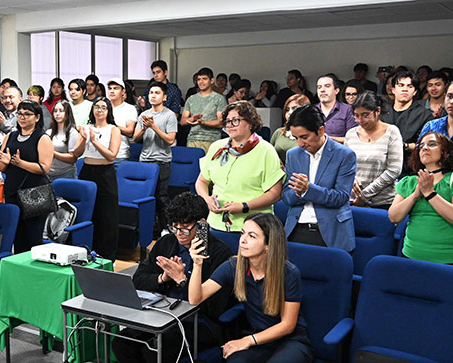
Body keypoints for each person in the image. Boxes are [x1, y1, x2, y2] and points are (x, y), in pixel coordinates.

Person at [112, 192, 234, 362]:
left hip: (197, 321)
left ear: (201, 224)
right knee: (122, 342)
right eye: (174, 227)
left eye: (184, 228)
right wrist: (163, 278)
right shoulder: (167, 243)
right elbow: (138, 280)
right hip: (161, 313)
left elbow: (213, 308)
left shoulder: (220, 254)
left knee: (155, 351)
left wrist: (182, 279)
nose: (178, 233)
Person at [188, 212, 314, 362]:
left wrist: (247, 340)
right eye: (243, 233)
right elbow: (195, 299)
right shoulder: (233, 266)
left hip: (291, 341)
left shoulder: (289, 273)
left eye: (252, 236)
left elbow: (288, 325)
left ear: (268, 244)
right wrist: (197, 264)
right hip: (259, 338)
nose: (243, 240)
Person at [196, 101, 284, 237]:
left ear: (250, 122)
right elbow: (201, 181)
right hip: (216, 223)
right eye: (228, 121)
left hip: (254, 228)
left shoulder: (266, 150)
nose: (230, 125)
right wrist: (206, 199)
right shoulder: (216, 147)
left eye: (235, 120)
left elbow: (275, 194)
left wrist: (244, 206)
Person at [282, 105, 357, 252]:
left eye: (304, 137)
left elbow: (341, 197)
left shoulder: (344, 155)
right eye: (296, 138)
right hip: (296, 229)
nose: (300, 143)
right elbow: (286, 196)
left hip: (331, 232)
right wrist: (299, 192)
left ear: (321, 130)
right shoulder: (293, 155)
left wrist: (308, 190)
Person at [388, 132, 453, 264]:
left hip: (447, 260)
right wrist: (415, 195)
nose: (425, 148)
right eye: (421, 146)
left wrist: (430, 193)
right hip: (410, 255)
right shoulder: (409, 182)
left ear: (445, 151)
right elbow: (394, 217)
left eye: (432, 144)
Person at [0, 101, 54, 253]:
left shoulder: (42, 138)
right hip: (12, 191)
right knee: (17, 237)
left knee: (33, 238)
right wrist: (5, 162)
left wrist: (20, 163)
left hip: (35, 193)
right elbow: (0, 166)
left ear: (37, 117)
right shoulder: (10, 136)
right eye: (20, 114)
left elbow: (44, 167)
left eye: (27, 114)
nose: (22, 117)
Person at [77, 97, 121, 260]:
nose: (100, 110)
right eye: (97, 107)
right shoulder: (87, 127)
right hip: (87, 170)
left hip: (105, 173)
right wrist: (83, 138)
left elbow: (111, 156)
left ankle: (108, 256)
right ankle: (86, 251)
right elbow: (78, 153)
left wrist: (94, 141)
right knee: (88, 213)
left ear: (108, 111)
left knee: (107, 215)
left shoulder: (113, 129)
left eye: (104, 107)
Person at [344, 92, 403, 209]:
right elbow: (345, 166)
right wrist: (352, 179)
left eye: (365, 115)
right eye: (356, 115)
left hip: (383, 201)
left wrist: (364, 195)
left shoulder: (391, 132)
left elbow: (394, 170)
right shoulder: (351, 134)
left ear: (378, 111)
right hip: (352, 200)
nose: (360, 120)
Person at [134, 82, 178, 233]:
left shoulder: (169, 115)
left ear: (164, 97)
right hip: (145, 161)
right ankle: (148, 229)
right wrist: (145, 127)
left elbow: (170, 139)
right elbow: (135, 138)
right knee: (146, 197)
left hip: (161, 161)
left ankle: (166, 227)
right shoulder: (143, 115)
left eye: (157, 93)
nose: (153, 95)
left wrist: (154, 127)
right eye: (151, 92)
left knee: (161, 196)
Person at [381, 71, 434, 176]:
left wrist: (403, 146)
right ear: (393, 90)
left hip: (410, 171)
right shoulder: (382, 113)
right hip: (382, 168)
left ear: (414, 92)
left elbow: (426, 145)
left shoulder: (425, 115)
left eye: (410, 86)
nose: (405, 89)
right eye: (400, 85)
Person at [420, 77, 453, 170]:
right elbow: (418, 160)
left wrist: (452, 161)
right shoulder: (431, 126)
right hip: (432, 182)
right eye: (449, 96)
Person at [181, 67, 228, 153]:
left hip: (212, 140)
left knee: (210, 166)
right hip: (192, 139)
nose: (201, 82)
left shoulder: (219, 99)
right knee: (194, 166)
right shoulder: (191, 99)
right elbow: (183, 121)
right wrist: (192, 119)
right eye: (199, 79)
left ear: (212, 81)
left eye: (204, 79)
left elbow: (221, 123)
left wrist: (202, 122)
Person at [315, 74, 357, 144]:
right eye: (319, 87)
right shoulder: (311, 111)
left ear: (336, 90)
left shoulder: (348, 110)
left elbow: (353, 138)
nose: (322, 90)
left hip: (341, 152)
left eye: (327, 86)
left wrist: (327, 139)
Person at [48, 100, 85, 179]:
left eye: (61, 111)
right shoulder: (49, 132)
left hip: (66, 173)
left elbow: (72, 158)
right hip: (48, 173)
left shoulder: (72, 132)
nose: (57, 114)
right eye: (55, 111)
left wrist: (53, 153)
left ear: (67, 113)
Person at [106, 78, 137, 168]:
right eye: (110, 88)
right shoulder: (103, 106)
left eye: (116, 88)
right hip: (102, 154)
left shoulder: (130, 109)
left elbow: (130, 131)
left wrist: (112, 125)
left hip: (120, 155)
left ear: (123, 91)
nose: (112, 91)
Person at [270, 94, 311, 163]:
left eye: (294, 108)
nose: (289, 113)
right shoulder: (279, 132)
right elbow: (268, 155)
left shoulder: (311, 135)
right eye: (287, 109)